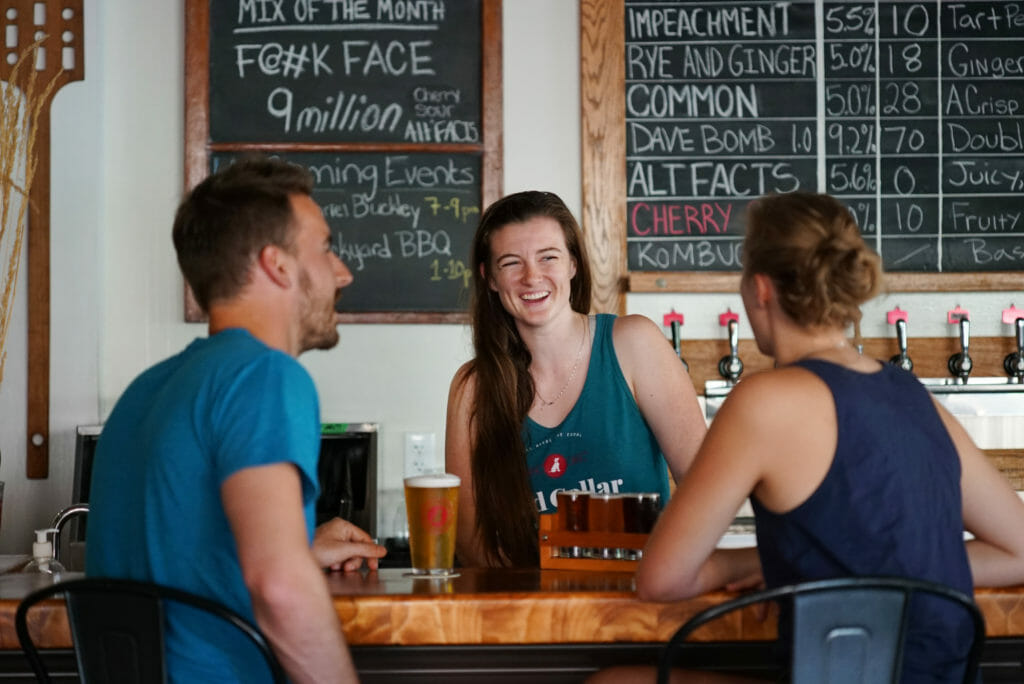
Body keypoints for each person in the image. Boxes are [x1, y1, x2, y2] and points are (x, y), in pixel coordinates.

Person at [616, 191, 1024, 683]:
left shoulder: (762, 401)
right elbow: (1018, 549)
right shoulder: (910, 392)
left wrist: (763, 561)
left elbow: (662, 579)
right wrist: (837, 577)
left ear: (761, 289)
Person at [86, 156, 386, 684]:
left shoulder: (145, 391)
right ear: (278, 265)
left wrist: (298, 544)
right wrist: (289, 563)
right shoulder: (265, 376)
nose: (343, 272)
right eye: (324, 247)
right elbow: (279, 588)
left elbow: (172, 555)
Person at [445, 190, 707, 567]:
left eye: (548, 257)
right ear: (490, 278)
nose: (532, 276)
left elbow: (705, 486)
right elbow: (471, 542)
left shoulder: (634, 343)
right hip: (533, 614)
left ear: (572, 264)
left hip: (644, 605)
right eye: (511, 263)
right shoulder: (472, 388)